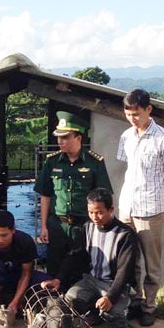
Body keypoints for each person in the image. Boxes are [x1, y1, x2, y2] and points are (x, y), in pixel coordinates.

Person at [116, 88, 164, 327]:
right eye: (128, 113)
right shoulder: (126, 136)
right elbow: (129, 170)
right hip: (127, 207)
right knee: (130, 260)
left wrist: (159, 203)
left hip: (151, 209)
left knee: (152, 263)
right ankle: (134, 301)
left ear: (148, 110)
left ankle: (149, 306)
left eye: (137, 113)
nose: (133, 118)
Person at [34, 111, 113, 285]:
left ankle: (78, 306)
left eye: (65, 137)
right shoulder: (51, 162)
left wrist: (100, 225)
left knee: (81, 268)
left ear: (78, 137)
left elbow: (103, 196)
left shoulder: (94, 162)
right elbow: (45, 195)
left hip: (83, 225)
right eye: (58, 137)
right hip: (57, 225)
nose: (60, 141)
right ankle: (54, 308)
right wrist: (44, 226)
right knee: (54, 268)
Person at [42, 188, 137, 328]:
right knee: (71, 298)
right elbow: (75, 254)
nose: (94, 217)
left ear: (111, 209)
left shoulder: (125, 234)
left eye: (99, 212)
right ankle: (94, 312)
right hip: (91, 280)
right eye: (91, 212)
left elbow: (124, 271)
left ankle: (128, 307)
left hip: (113, 284)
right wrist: (59, 278)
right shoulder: (88, 227)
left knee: (115, 316)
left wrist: (110, 297)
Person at [0, 210, 50, 319]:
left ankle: (21, 306)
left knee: (47, 283)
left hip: (17, 277)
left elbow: (26, 274)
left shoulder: (25, 242)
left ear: (13, 230)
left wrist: (15, 302)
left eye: (4, 235)